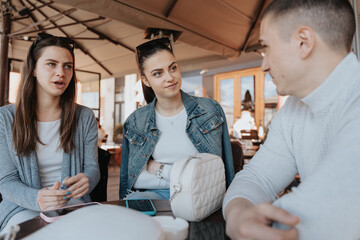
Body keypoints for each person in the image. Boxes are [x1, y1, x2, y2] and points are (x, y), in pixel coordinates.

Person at [223, 0, 360, 239]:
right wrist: (239, 213)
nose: (264, 65)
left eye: (266, 48)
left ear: (303, 42)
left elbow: (309, 223)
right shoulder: (295, 109)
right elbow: (257, 177)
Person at [0, 33, 100, 233]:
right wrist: (37, 198)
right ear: (34, 69)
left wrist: (88, 180)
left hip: (73, 205)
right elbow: (6, 181)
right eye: (51, 64)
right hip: (22, 207)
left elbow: (92, 168)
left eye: (67, 66)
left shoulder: (84, 116)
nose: (61, 72)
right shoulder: (5, 118)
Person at [119, 38, 234, 200]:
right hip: (156, 196)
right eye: (158, 73)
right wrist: (183, 178)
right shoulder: (136, 121)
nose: (170, 77)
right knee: (134, 203)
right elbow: (135, 180)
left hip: (202, 197)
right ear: (146, 81)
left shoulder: (210, 110)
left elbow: (219, 173)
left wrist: (158, 169)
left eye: (172, 68)